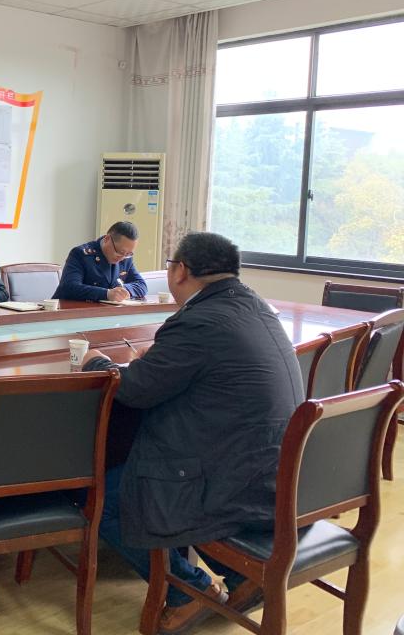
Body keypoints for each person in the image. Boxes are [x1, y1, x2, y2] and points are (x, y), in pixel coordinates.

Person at [80, 232, 303, 633]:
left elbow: (135, 391)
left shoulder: (198, 320)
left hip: (229, 475)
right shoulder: (255, 305)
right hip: (275, 469)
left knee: (106, 498)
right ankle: (241, 576)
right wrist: (159, 361)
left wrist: (96, 363)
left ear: (180, 270)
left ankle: (187, 591)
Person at [54, 220, 147, 302]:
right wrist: (106, 294)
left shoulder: (126, 258)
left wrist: (122, 290)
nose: (122, 258)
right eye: (120, 252)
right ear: (107, 239)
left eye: (128, 254)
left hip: (104, 312)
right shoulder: (81, 254)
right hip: (69, 311)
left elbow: (141, 285)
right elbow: (69, 287)